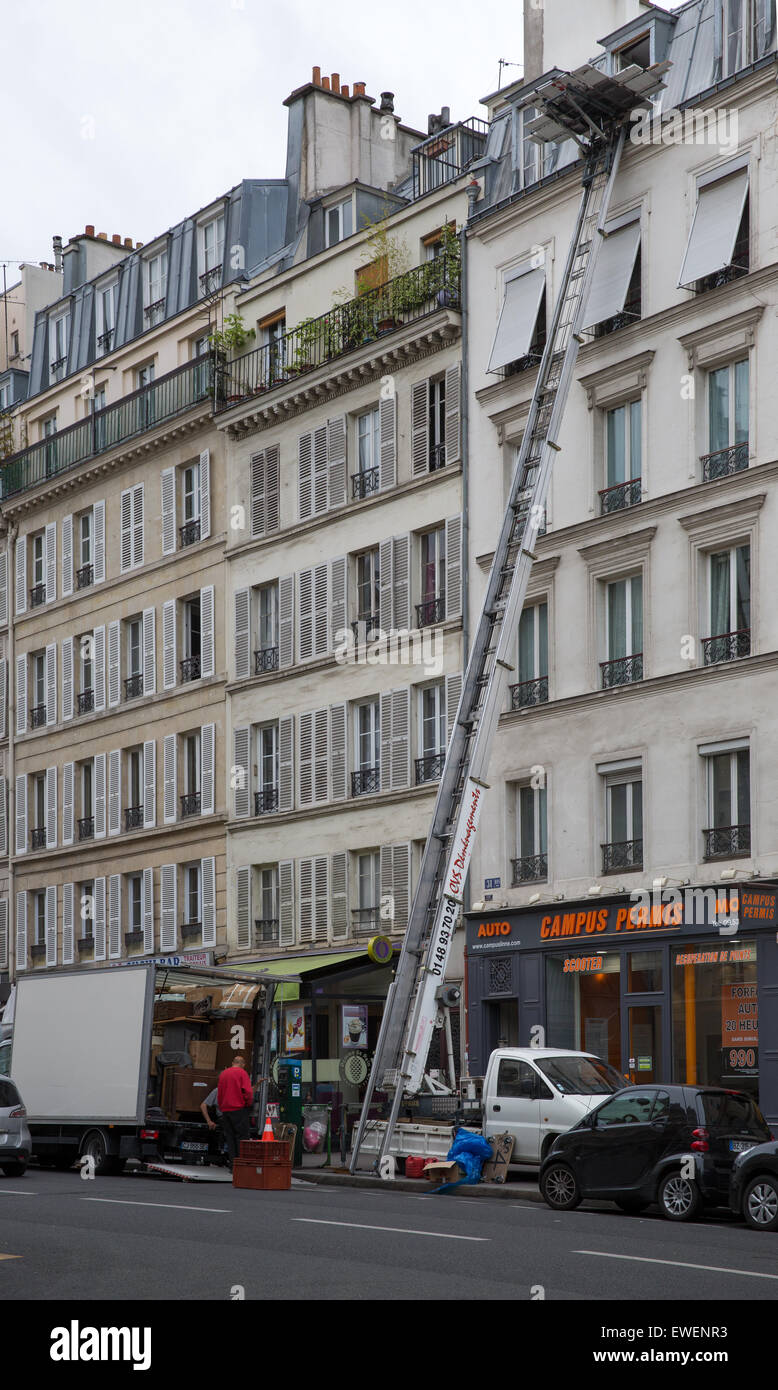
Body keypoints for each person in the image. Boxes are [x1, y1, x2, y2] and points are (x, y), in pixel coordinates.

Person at [216, 1056, 255, 1167]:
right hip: (239, 1109)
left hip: (226, 1110)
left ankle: (233, 1165)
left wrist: (222, 1106)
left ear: (233, 1062)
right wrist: (248, 1104)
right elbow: (248, 1092)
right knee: (242, 1137)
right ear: (243, 1064)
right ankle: (241, 1165)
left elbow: (220, 1093)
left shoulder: (223, 1074)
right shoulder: (243, 1073)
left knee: (230, 1137)